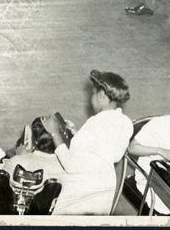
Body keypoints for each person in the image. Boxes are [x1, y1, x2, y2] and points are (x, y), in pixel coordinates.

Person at [40, 70, 132, 215]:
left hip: (82, 193)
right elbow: (109, 152)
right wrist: (78, 135)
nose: (91, 99)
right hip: (105, 187)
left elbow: (71, 165)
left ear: (101, 96)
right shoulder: (126, 123)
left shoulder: (93, 125)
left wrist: (54, 133)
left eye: (93, 95)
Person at [0, 117, 65, 215]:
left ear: (36, 142)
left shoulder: (16, 162)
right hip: (41, 213)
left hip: (6, 210)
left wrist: (20, 156)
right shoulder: (63, 167)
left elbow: (0, 178)